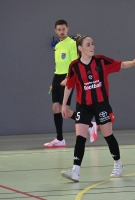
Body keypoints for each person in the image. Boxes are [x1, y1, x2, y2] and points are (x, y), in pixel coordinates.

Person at [60, 34, 135, 182]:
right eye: (88, 44)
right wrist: (64, 105)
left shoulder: (101, 60)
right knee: (80, 138)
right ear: (80, 48)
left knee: (108, 135)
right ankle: (75, 171)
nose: (92, 47)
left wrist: (133, 62)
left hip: (101, 104)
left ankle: (118, 164)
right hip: (83, 106)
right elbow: (70, 86)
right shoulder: (74, 66)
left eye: (92, 44)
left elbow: (120, 64)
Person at [44, 20, 98, 148]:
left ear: (67, 29)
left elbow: (75, 62)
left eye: (63, 29)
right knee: (55, 108)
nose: (61, 32)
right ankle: (60, 139)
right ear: (55, 31)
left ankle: (91, 125)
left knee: (66, 111)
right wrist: (55, 83)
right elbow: (59, 64)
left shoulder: (72, 44)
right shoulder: (57, 46)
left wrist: (69, 77)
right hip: (57, 77)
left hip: (67, 77)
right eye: (59, 30)